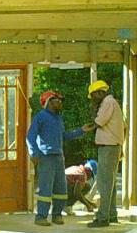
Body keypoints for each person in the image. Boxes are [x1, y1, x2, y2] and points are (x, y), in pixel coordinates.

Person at [27, 91, 94, 226]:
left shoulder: (58, 118)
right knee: (46, 189)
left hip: (59, 157)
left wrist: (82, 131)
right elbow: (30, 136)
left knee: (61, 189)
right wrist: (34, 154)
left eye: (60, 100)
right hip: (46, 157)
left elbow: (64, 136)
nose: (60, 102)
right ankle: (41, 217)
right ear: (48, 102)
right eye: (57, 100)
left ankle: (57, 215)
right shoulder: (41, 117)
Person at [86, 80, 125, 228]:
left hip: (108, 147)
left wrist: (87, 126)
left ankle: (103, 218)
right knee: (111, 182)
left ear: (101, 92)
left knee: (104, 183)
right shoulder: (111, 102)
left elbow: (99, 121)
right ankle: (111, 214)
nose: (93, 98)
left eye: (94, 95)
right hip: (112, 146)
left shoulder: (108, 102)